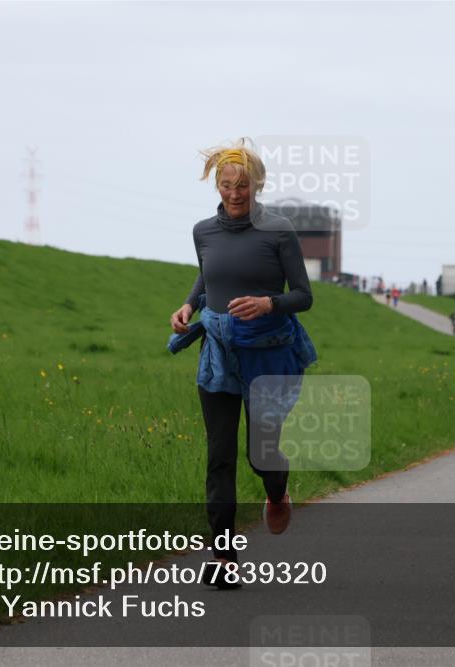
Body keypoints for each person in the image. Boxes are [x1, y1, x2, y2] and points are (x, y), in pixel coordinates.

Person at [169, 140, 316, 588]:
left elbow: (304, 296)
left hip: (267, 351)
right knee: (219, 456)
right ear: (217, 184)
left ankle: (277, 492)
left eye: (243, 185)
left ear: (258, 185)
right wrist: (189, 305)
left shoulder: (278, 231)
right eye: (227, 185)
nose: (235, 193)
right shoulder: (202, 231)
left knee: (261, 453)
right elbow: (208, 273)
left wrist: (268, 303)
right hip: (218, 353)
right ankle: (223, 555)